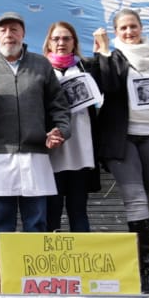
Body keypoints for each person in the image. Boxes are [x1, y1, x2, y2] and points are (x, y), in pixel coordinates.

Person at [92, 8, 149, 293]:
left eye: (133, 26)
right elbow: (109, 88)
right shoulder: (112, 56)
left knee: (145, 202)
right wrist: (104, 53)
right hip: (123, 137)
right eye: (123, 28)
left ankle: (141, 268)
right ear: (116, 32)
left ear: (141, 28)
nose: (129, 32)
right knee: (136, 199)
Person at [0, 12, 70, 236]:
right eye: (3, 30)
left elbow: (59, 105)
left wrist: (61, 131)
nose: (8, 35)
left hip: (36, 154)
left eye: (14, 30)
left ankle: (35, 262)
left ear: (23, 34)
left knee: (37, 224)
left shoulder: (41, 64)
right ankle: (3, 263)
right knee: (2, 226)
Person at [42, 21, 98, 233]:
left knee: (78, 209)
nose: (61, 43)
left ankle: (82, 252)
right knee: (52, 209)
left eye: (66, 38)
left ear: (74, 42)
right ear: (48, 43)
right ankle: (51, 252)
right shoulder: (41, 69)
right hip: (53, 147)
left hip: (81, 147)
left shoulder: (86, 67)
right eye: (56, 39)